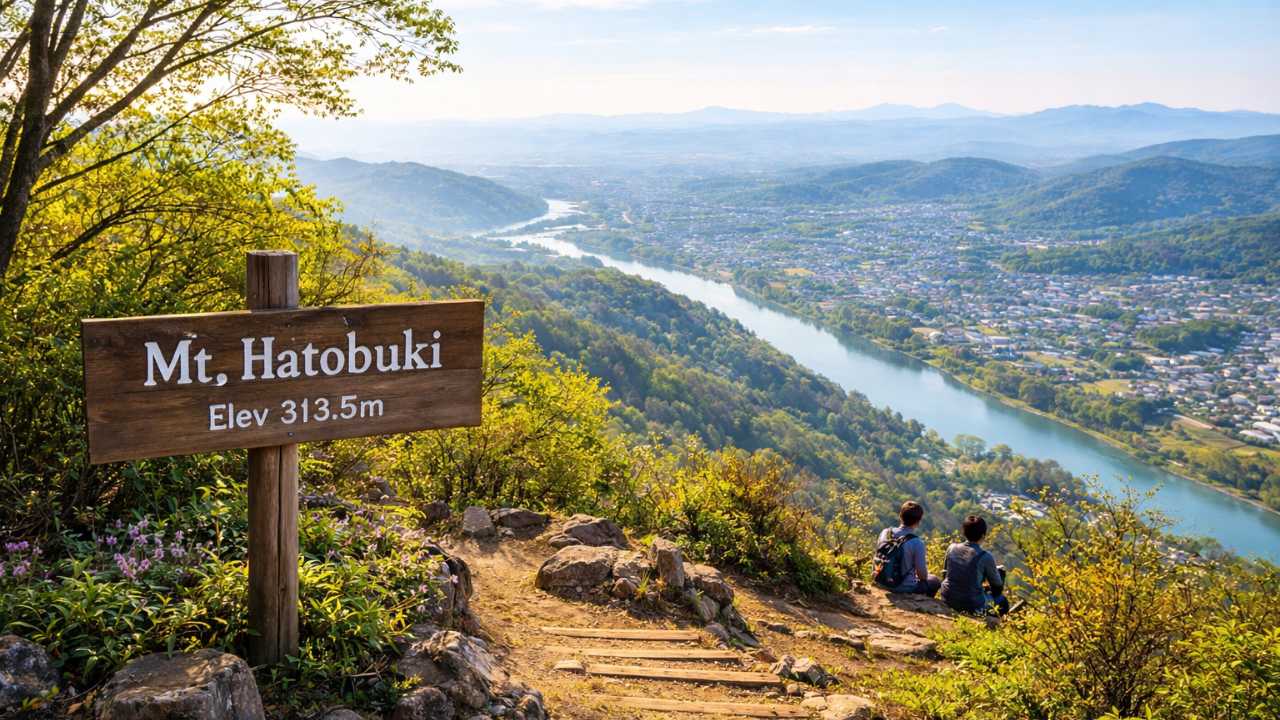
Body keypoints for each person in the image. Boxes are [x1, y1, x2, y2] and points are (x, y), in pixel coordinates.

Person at [940, 515, 1010, 616]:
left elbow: (945, 575)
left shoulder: (952, 548)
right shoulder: (985, 556)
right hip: (972, 604)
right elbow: (997, 588)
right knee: (1002, 601)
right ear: (983, 535)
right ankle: (990, 622)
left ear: (963, 532)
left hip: (947, 597)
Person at [873, 500, 941, 597]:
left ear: (900, 516)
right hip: (902, 587)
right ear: (918, 522)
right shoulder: (917, 542)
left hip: (879, 579)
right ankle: (924, 603)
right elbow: (922, 575)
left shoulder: (885, 532)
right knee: (934, 581)